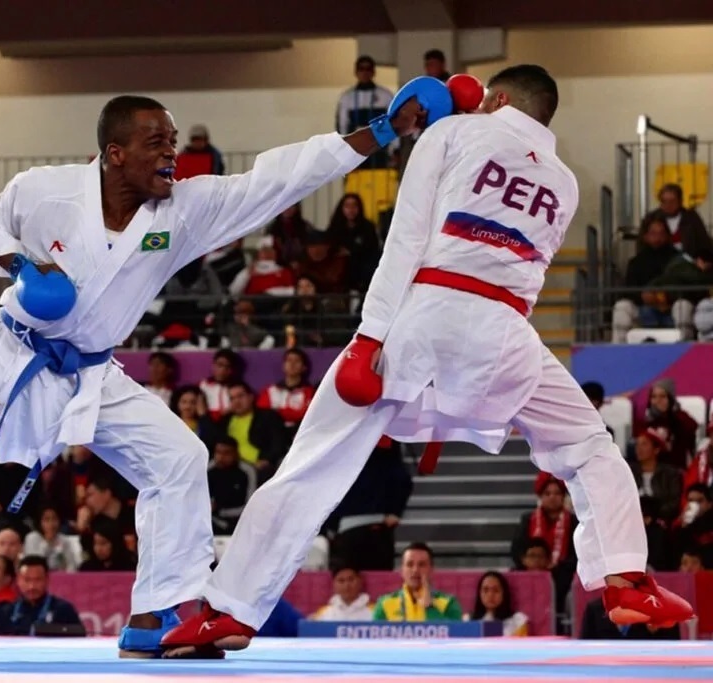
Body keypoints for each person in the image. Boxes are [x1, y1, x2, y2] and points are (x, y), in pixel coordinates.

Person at [0, 81, 445, 658]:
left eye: (173, 140)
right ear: (114, 153)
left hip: (90, 376)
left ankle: (155, 611)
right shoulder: (47, 190)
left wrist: (381, 132)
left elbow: (278, 177)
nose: (172, 152)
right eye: (157, 142)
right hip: (6, 358)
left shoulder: (184, 210)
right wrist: (25, 266)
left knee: (177, 457)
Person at [162, 65, 694, 654]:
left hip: (422, 318)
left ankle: (229, 612)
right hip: (505, 330)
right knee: (589, 445)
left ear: (496, 97)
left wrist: (369, 338)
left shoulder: (454, 134)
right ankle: (626, 578)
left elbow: (405, 240)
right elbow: (528, 274)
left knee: (311, 466)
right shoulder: (564, 183)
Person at [468, 571, 528, 636]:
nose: (490, 595)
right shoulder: (469, 620)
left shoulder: (518, 620)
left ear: (504, 593)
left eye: (496, 590)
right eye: (485, 590)